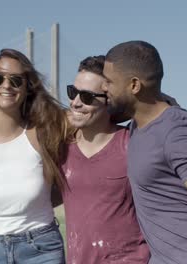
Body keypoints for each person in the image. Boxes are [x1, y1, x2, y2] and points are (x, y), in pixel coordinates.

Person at [102, 40, 187, 263]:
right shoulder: (140, 122)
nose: (103, 88)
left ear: (134, 85)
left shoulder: (176, 131)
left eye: (108, 81)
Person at [0, 48, 68, 264]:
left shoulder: (46, 132)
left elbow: (92, 116)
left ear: (28, 88)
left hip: (41, 249)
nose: (6, 86)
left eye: (16, 80)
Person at [61, 55, 150, 263]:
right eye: (72, 92)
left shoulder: (133, 144)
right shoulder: (61, 148)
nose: (75, 103)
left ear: (110, 101)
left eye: (87, 97)